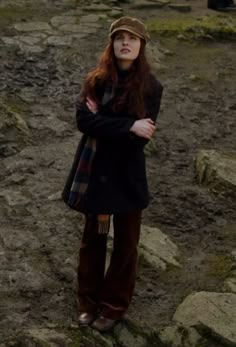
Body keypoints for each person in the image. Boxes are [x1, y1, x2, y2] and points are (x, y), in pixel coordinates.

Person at [71, 16, 163, 332]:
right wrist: (126, 124)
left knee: (126, 244)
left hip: (127, 175)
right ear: (112, 44)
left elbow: (141, 137)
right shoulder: (95, 81)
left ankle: (113, 306)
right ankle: (88, 301)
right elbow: (84, 121)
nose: (126, 42)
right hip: (96, 175)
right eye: (120, 37)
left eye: (133, 39)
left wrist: (107, 123)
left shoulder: (151, 88)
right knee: (92, 241)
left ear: (141, 46)